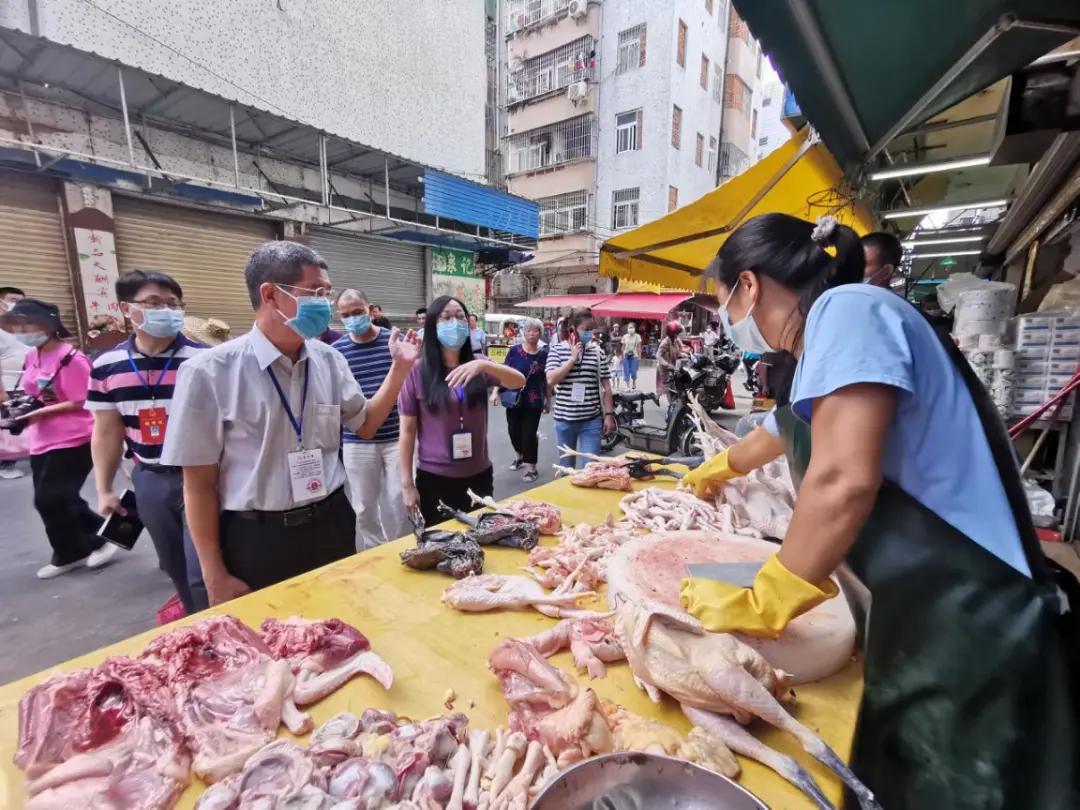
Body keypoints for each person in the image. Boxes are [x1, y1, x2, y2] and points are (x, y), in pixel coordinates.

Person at [679, 213, 1078, 807]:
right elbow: (783, 426)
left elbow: (842, 478)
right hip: (920, 609)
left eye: (725, 305)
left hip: (973, 618)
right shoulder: (826, 339)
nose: (733, 323)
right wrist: (719, 467)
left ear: (749, 286)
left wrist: (771, 595)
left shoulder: (851, 312)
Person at [161, 241, 420, 607]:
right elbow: (198, 486)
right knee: (270, 644)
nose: (326, 304)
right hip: (257, 536)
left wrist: (400, 370)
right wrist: (213, 574)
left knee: (339, 628)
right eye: (315, 292)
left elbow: (365, 425)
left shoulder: (330, 361)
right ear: (270, 294)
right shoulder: (209, 373)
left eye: (327, 293)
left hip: (330, 523)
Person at [88, 270, 205, 612]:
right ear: (127, 309)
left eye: (173, 303)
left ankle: (220, 624)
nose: (166, 310)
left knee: (203, 563)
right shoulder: (107, 366)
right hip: (150, 477)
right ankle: (198, 621)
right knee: (174, 563)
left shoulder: (202, 361)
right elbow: (107, 431)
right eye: (154, 303)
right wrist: (104, 488)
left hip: (203, 474)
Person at [0, 299, 115, 578]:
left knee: (52, 497)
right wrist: (22, 410)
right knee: (52, 498)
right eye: (17, 325)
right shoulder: (32, 356)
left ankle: (99, 538)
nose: (22, 330)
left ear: (49, 325)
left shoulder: (71, 358)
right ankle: (71, 553)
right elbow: (35, 392)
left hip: (76, 436)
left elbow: (82, 400)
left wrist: (42, 412)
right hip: (41, 437)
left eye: (27, 323)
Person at [399, 296, 524, 525]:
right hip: (434, 478)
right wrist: (407, 484)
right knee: (442, 548)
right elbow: (407, 430)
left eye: (460, 317)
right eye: (445, 318)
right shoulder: (417, 371)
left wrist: (484, 365)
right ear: (432, 326)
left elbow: (518, 381)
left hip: (479, 475)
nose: (454, 323)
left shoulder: (479, 364)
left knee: (483, 541)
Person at [332, 289, 410, 549]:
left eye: (358, 312)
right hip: (356, 440)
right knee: (364, 506)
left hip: (397, 436)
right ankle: (374, 551)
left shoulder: (394, 342)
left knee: (401, 500)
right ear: (339, 317)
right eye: (346, 315)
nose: (353, 318)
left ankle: (402, 548)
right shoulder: (336, 352)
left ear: (371, 310)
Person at [545, 307, 615, 469]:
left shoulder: (598, 353)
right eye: (585, 329)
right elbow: (550, 380)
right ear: (572, 329)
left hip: (591, 422)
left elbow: (607, 387)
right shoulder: (557, 350)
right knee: (566, 470)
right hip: (564, 421)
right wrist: (572, 359)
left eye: (592, 330)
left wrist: (609, 415)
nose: (589, 334)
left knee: (591, 469)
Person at [491, 317, 547, 484]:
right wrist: (495, 391)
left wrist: (548, 399)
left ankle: (532, 468)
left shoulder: (544, 354)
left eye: (535, 331)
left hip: (534, 400)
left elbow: (546, 380)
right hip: (513, 398)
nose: (531, 334)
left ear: (540, 334)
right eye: (528, 330)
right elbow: (504, 372)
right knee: (513, 431)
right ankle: (520, 457)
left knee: (529, 434)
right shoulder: (515, 351)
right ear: (524, 332)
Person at [0, 286, 28, 479]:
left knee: (21, 424)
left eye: (22, 300)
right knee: (7, 427)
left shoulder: (20, 328)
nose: (18, 304)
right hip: (8, 386)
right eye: (13, 299)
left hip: (25, 384)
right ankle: (5, 465)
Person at [655, 320, 687, 401]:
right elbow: (658, 355)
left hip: (674, 366)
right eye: (677, 333)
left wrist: (684, 355)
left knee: (676, 384)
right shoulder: (665, 342)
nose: (678, 335)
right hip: (665, 368)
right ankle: (670, 406)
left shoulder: (676, 340)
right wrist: (666, 364)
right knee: (668, 388)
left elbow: (679, 351)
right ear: (672, 333)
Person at [620, 322, 641, 390]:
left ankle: (634, 382)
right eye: (629, 327)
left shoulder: (637, 336)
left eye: (632, 327)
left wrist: (639, 356)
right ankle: (628, 386)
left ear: (634, 328)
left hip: (634, 356)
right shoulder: (625, 336)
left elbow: (639, 347)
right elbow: (622, 347)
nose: (630, 329)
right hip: (626, 356)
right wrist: (622, 356)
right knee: (626, 371)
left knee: (634, 371)